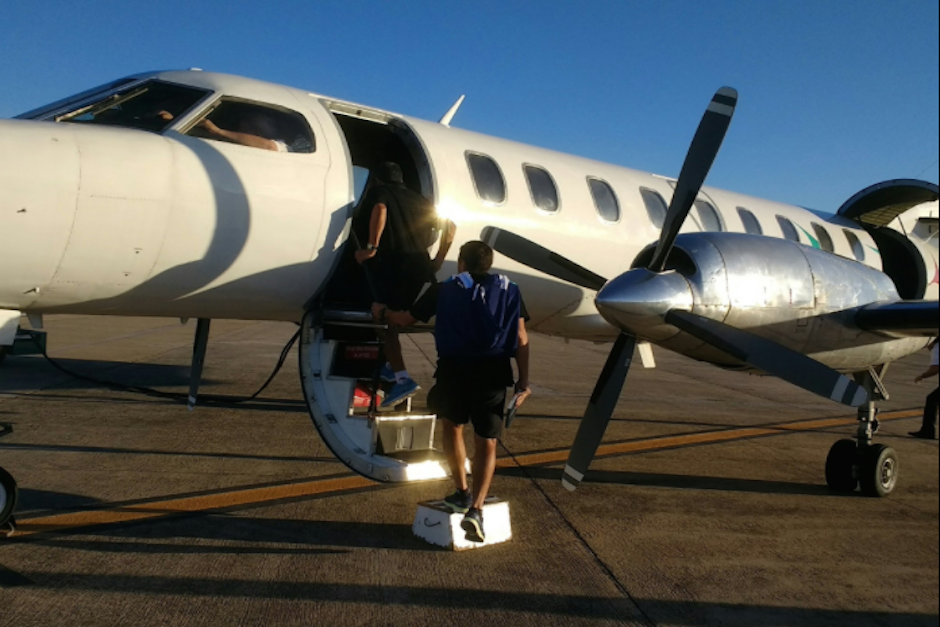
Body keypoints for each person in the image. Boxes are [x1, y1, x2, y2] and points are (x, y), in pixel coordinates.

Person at [374, 241, 531, 542]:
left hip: (453, 370)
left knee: (453, 427)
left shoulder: (445, 288)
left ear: (461, 262)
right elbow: (521, 338)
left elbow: (405, 319)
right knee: (487, 441)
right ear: (489, 263)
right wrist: (523, 381)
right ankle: (476, 508)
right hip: (493, 373)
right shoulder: (511, 289)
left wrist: (382, 313)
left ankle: (461, 491)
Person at [355, 161, 452, 407]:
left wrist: (371, 247)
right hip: (419, 267)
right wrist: (437, 260)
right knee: (392, 319)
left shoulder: (381, 192)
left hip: (393, 265)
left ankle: (401, 378)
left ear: (378, 180)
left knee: (382, 318)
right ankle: (389, 366)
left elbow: (380, 209)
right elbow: (450, 228)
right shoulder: (422, 201)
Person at [199, 112, 289, 152]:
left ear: (257, 132)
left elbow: (270, 146)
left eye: (248, 124)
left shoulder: (284, 148)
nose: (241, 127)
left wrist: (219, 131)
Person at [910, 339, 939, 440]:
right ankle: (927, 431)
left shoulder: (937, 347)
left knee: (932, 400)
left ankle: (928, 431)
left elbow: (935, 368)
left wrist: (922, 376)